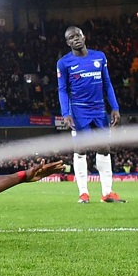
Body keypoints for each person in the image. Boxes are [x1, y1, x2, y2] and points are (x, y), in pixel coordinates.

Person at [57, 26, 125, 203]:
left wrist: (115, 107)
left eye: (78, 35)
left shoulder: (99, 57)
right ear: (68, 42)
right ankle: (83, 193)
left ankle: (107, 193)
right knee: (80, 149)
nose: (76, 39)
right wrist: (66, 113)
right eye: (71, 38)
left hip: (100, 110)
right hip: (79, 111)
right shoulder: (64, 63)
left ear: (84, 36)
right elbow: (63, 90)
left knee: (104, 148)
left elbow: (107, 84)